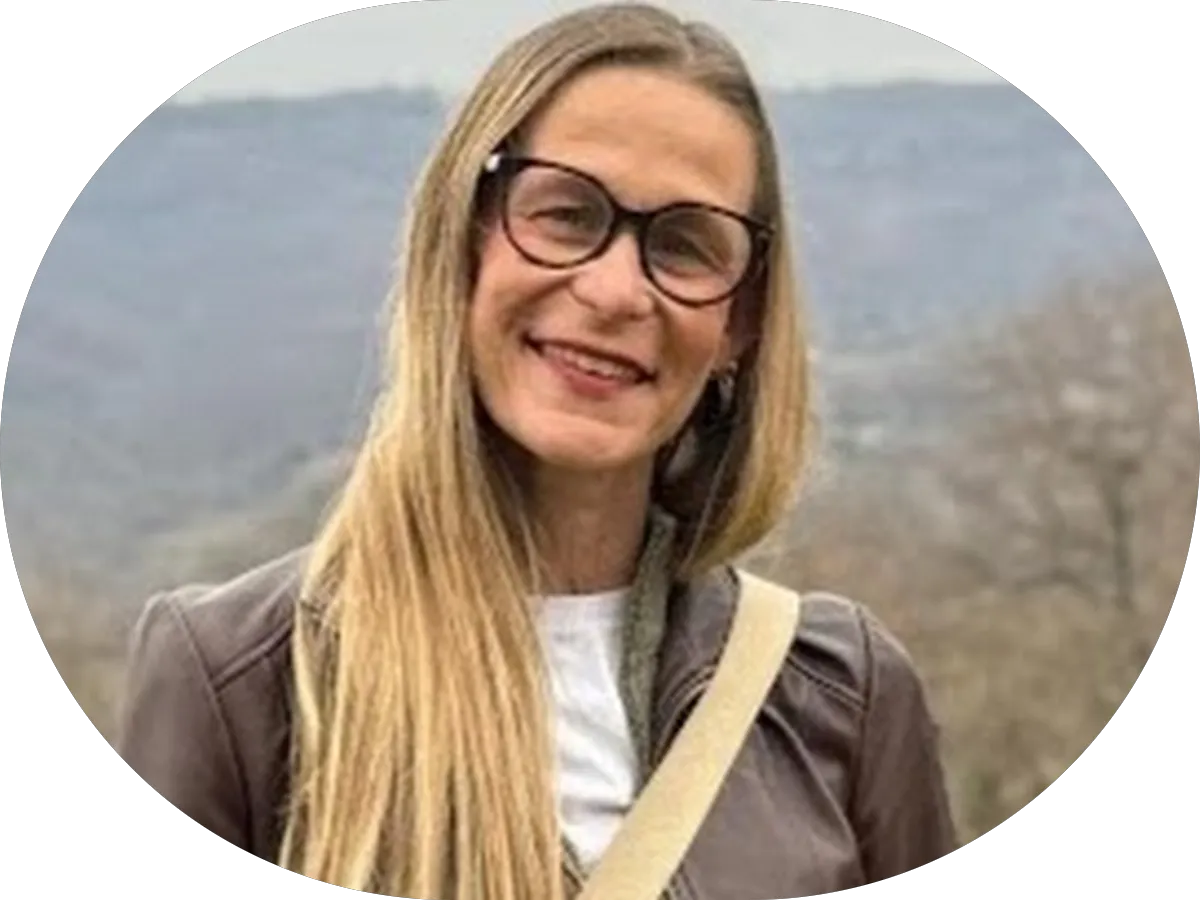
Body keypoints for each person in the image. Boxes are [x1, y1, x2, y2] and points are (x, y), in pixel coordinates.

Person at [114, 4, 958, 898]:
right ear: (462, 240)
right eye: (566, 214)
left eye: (684, 246)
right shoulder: (236, 682)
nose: (615, 291)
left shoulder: (841, 695)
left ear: (739, 323)